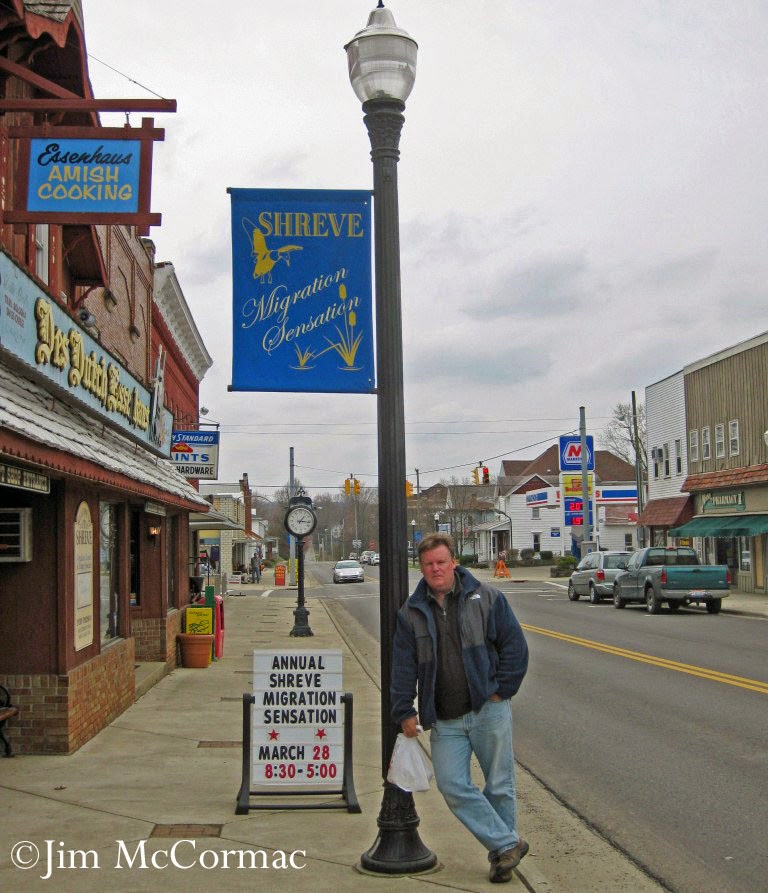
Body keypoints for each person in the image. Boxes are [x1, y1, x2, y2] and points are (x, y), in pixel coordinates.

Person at [391, 532, 529, 884]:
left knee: (499, 785)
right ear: (421, 567)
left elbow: (514, 647)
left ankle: (502, 859)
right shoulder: (411, 613)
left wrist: (501, 691)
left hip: (487, 710)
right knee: (452, 784)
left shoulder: (487, 597)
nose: (435, 569)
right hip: (445, 718)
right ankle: (508, 843)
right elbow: (403, 666)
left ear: (453, 562)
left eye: (441, 562)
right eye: (428, 564)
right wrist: (404, 709)